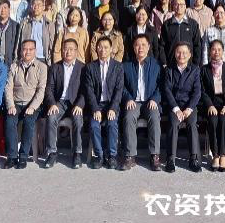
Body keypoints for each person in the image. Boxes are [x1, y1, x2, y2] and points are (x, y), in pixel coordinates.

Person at [120, 34, 164, 170]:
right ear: (133, 47)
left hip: (150, 101)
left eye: (143, 45)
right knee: (128, 117)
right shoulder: (126, 65)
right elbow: (121, 86)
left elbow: (162, 85)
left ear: (149, 47)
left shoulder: (156, 65)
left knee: (154, 117)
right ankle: (130, 156)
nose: (140, 48)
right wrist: (128, 98)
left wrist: (155, 98)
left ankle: (155, 156)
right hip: (134, 101)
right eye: (137, 45)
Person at [3, 39, 48, 169]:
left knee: (29, 121)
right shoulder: (14, 66)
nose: (27, 52)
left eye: (30, 49)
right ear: (20, 51)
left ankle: (23, 156)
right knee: (10, 121)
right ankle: (12, 156)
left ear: (35, 51)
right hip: (16, 103)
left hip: (33, 104)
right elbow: (8, 88)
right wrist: (10, 105)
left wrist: (32, 107)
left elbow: (41, 90)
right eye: (24, 49)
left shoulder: (42, 67)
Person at [43, 38, 86, 168]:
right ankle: (52, 153)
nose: (68, 52)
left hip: (75, 103)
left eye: (71, 49)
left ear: (76, 51)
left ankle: (77, 153)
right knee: (51, 117)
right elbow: (49, 88)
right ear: (62, 51)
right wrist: (52, 103)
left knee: (77, 119)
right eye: (65, 49)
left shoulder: (83, 68)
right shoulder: (55, 67)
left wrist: (80, 105)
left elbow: (86, 90)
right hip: (60, 102)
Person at [161, 41, 203, 172]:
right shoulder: (169, 70)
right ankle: (170, 159)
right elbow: (167, 90)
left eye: (184, 52)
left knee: (192, 124)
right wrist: (176, 108)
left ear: (190, 55)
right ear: (174, 54)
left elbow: (197, 92)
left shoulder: (195, 70)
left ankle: (193, 158)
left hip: (190, 106)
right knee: (173, 124)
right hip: (174, 106)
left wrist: (189, 108)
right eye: (178, 52)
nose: (181, 55)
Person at [84, 36, 124, 169]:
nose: (103, 50)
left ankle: (112, 156)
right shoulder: (90, 67)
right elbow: (89, 90)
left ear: (111, 49)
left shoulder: (118, 66)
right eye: (100, 47)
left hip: (111, 104)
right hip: (97, 104)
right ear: (96, 49)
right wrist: (95, 109)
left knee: (112, 124)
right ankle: (100, 155)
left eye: (106, 47)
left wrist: (113, 108)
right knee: (94, 125)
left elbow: (119, 90)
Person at [200, 39, 225, 171]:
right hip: (211, 104)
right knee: (213, 120)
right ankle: (215, 154)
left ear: (223, 52)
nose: (216, 52)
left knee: (224, 121)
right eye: (214, 49)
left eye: (219, 49)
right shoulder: (204, 70)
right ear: (210, 51)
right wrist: (209, 105)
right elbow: (202, 91)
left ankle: (223, 155)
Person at [160, 0, 203, 65]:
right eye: (176, 4)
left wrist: (195, 63)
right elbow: (162, 46)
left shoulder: (193, 24)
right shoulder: (167, 24)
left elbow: (197, 45)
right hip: (171, 64)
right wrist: (164, 62)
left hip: (189, 65)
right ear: (173, 6)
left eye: (182, 4)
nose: (179, 7)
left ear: (185, 6)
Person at [20, 0, 56, 66]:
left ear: (43, 7)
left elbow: (52, 44)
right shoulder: (25, 23)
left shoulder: (49, 24)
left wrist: (51, 59)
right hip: (27, 58)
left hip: (43, 59)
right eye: (34, 5)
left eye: (39, 5)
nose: (36, 7)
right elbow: (19, 42)